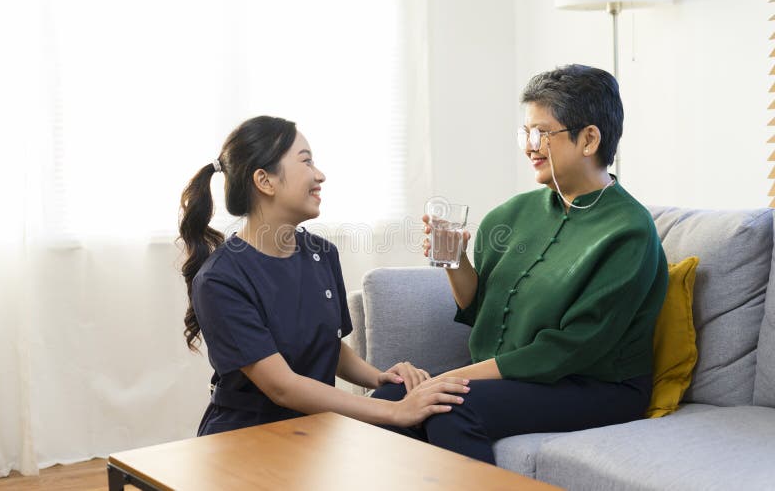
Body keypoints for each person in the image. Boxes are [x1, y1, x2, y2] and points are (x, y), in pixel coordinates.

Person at [371, 64, 669, 464]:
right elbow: (478, 309)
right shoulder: (510, 214)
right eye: (525, 133)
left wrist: (444, 381)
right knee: (390, 397)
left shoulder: (629, 231)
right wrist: (455, 260)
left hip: (597, 386)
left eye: (541, 133)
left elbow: (570, 349)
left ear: (589, 139)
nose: (530, 146)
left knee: (448, 405)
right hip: (520, 378)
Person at [177, 115, 469, 435]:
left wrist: (378, 377)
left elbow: (326, 344)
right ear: (265, 181)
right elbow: (282, 388)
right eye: (307, 162)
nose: (320, 175)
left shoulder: (321, 254)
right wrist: (395, 411)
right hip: (248, 434)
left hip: (316, 430)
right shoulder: (221, 279)